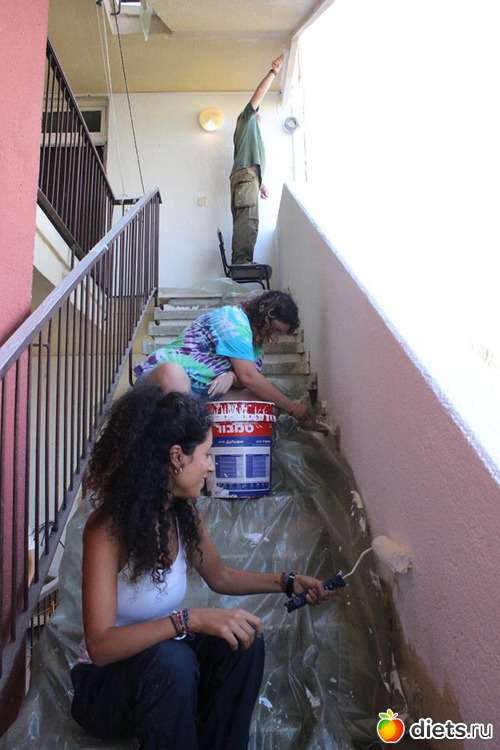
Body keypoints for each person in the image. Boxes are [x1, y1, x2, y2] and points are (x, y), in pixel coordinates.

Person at [70, 385, 333, 749]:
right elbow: (101, 647)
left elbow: (220, 575)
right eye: (206, 454)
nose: (211, 465)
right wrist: (188, 620)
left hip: (166, 668)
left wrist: (288, 582)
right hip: (105, 687)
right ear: (177, 457)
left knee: (242, 640)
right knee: (173, 659)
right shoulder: (106, 529)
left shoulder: (181, 512)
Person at [134, 290, 315, 421]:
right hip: (164, 380)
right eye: (275, 330)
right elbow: (249, 377)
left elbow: (245, 380)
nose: (274, 338)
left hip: (203, 395)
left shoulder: (257, 347)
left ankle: (225, 454)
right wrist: (292, 407)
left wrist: (231, 376)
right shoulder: (233, 319)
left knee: (268, 407)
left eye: (279, 334)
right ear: (266, 315)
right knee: (173, 374)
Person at [230, 54, 284, 265]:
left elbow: (249, 160)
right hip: (245, 178)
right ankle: (241, 262)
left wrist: (260, 183)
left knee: (248, 220)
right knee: (247, 221)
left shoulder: (250, 134)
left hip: (248, 179)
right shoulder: (246, 120)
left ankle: (242, 261)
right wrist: (273, 72)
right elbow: (259, 95)